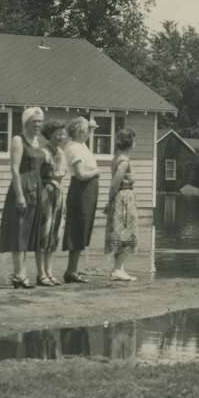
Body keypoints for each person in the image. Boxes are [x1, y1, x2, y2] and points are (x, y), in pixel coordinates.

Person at [0, 107, 50, 289]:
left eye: (40, 121)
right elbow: (14, 168)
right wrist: (19, 194)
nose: (38, 124)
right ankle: (19, 272)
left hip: (36, 190)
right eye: (34, 121)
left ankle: (21, 273)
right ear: (26, 122)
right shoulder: (18, 140)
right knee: (19, 232)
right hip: (22, 189)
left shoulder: (39, 142)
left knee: (29, 233)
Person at [61, 116, 101, 283]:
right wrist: (96, 172)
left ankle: (74, 269)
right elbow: (81, 174)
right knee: (78, 227)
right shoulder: (74, 148)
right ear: (79, 132)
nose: (88, 133)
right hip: (81, 189)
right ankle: (70, 271)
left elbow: (88, 129)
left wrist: (90, 125)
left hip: (88, 191)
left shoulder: (80, 144)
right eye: (85, 131)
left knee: (84, 227)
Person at [35, 120, 69, 286]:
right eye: (59, 133)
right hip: (45, 194)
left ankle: (49, 271)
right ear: (50, 134)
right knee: (44, 233)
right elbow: (37, 176)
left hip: (58, 194)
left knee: (55, 234)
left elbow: (61, 175)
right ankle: (41, 273)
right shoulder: (43, 153)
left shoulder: (61, 153)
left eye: (63, 133)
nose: (62, 136)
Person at [104, 127, 139, 282]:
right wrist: (110, 200)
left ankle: (119, 268)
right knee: (125, 231)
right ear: (130, 142)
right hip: (124, 198)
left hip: (122, 198)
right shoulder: (124, 161)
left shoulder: (118, 157)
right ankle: (117, 269)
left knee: (122, 231)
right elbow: (115, 184)